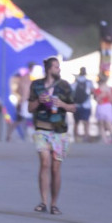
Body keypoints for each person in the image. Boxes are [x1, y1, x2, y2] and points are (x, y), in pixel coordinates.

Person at [28, 57, 77, 215]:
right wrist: (39, 102)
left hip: (59, 132)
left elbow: (74, 108)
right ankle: (43, 201)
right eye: (56, 67)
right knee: (45, 163)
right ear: (49, 69)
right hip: (42, 129)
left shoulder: (64, 86)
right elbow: (30, 108)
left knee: (56, 168)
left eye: (58, 67)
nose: (59, 69)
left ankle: (54, 204)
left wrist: (61, 104)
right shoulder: (36, 85)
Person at [72, 67, 94, 141]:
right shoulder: (89, 82)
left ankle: (76, 137)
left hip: (76, 105)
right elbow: (92, 92)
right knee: (86, 121)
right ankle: (86, 136)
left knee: (76, 122)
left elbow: (71, 92)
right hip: (86, 105)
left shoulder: (75, 82)